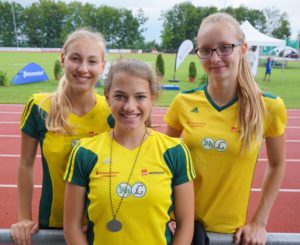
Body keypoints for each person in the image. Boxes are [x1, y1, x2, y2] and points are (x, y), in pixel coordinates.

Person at [164, 13, 287, 245]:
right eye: (206, 50)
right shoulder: (183, 102)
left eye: (224, 48)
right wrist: (164, 213)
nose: (215, 57)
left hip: (229, 234)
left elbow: (278, 163)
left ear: (243, 49)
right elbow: (159, 159)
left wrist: (259, 221)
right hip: (179, 228)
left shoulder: (269, 107)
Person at [63, 58, 195, 245]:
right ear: (107, 96)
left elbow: (186, 224)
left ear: (153, 98)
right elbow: (72, 227)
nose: (129, 107)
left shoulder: (175, 152)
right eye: (120, 96)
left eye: (140, 97)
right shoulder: (85, 152)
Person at [10, 28, 114, 245]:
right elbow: (25, 165)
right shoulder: (39, 106)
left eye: (92, 61)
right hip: (52, 224)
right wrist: (24, 218)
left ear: (103, 66)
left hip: (99, 226)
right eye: (75, 59)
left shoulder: (112, 113)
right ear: (63, 59)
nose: (83, 68)